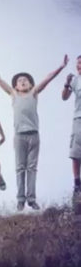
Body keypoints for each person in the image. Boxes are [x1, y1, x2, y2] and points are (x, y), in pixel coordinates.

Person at [0, 49, 68, 211]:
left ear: (31, 84)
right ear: (15, 86)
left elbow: (48, 78)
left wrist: (60, 67)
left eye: (26, 80)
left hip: (33, 135)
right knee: (20, 167)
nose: (23, 82)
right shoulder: (13, 94)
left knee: (32, 168)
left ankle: (31, 199)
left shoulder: (34, 92)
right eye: (19, 81)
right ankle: (20, 199)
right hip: (19, 136)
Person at [62, 55, 81, 201]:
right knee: (75, 153)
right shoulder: (75, 80)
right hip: (78, 120)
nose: (79, 66)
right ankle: (77, 183)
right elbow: (64, 97)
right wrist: (67, 83)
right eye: (78, 64)